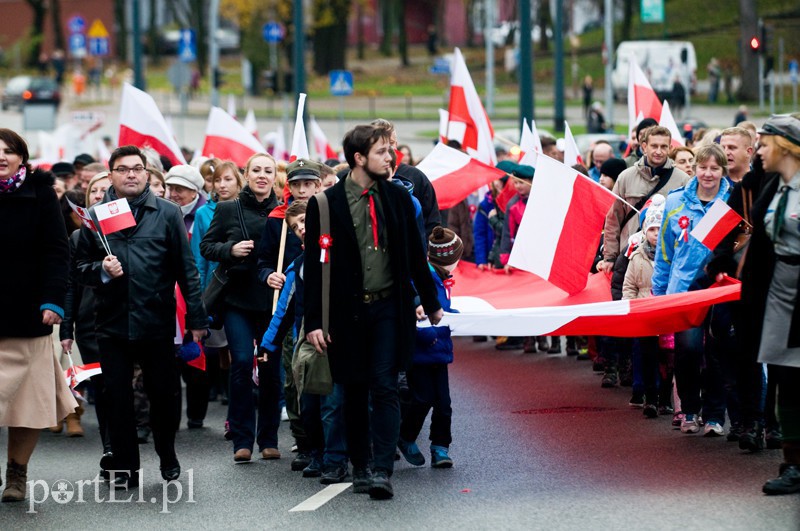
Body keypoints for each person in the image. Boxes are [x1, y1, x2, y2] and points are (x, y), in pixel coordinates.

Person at [303, 124, 443, 500]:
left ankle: (382, 469)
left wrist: (431, 303)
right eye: (382, 151)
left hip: (388, 307)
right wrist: (313, 321)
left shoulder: (398, 198)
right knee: (353, 387)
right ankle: (360, 464)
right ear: (359, 158)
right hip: (346, 313)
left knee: (384, 384)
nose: (390, 157)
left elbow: (415, 255)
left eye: (390, 150)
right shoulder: (324, 203)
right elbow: (315, 266)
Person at [74, 145, 207, 489]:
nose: (130, 174)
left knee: (164, 394)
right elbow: (79, 269)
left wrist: (197, 319)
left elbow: (186, 269)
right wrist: (100, 269)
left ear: (147, 174)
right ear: (112, 175)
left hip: (156, 320)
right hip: (112, 322)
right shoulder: (96, 215)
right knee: (115, 396)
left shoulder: (166, 212)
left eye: (137, 168)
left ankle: (167, 454)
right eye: (123, 169)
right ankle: (126, 466)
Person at [0, 128, 76, 502]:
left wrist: (53, 300)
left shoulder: (41, 192)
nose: (0, 156)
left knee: (25, 405)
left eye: (7, 151)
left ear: (21, 157)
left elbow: (56, 251)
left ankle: (17, 472)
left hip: (27, 314)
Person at [734, 114, 800, 495]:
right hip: (777, 291)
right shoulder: (774, 185)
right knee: (785, 377)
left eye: (763, 144)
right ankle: (793, 463)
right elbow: (753, 234)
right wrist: (719, 264)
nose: (757, 151)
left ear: (785, 146)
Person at [200, 153, 281, 464]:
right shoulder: (228, 208)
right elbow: (207, 246)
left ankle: (269, 439)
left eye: (268, 171)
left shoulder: (283, 212)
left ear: (275, 176)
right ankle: (242, 439)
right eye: (256, 170)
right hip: (236, 301)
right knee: (242, 363)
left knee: (271, 369)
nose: (262, 176)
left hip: (272, 302)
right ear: (246, 174)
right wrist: (229, 250)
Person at [652, 144, 733, 436]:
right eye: (703, 167)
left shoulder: (734, 201)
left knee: (718, 351)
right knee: (687, 349)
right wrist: (659, 294)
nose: (708, 174)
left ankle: (713, 416)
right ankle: (688, 409)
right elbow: (664, 253)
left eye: (714, 168)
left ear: (723, 170)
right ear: (694, 168)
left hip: (721, 288)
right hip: (685, 288)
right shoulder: (675, 202)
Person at [60, 172, 112, 472]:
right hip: (90, 325)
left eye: (107, 190)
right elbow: (71, 286)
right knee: (102, 389)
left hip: (125, 322)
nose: (100, 195)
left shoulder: (127, 232)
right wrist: (67, 329)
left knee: (122, 388)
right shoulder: (79, 237)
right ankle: (110, 447)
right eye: (96, 191)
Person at [398, 226, 462, 469]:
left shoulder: (441, 279)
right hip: (422, 351)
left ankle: (440, 447)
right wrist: (431, 336)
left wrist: (458, 317)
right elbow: (422, 313)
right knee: (422, 399)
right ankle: (405, 436)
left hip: (439, 351)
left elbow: (443, 309)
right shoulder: (425, 277)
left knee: (443, 402)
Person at [598, 126, 691, 276]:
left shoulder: (683, 180)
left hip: (667, 258)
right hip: (628, 255)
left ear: (670, 148)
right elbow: (612, 219)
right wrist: (610, 256)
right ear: (644, 147)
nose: (658, 151)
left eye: (663, 146)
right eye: (654, 146)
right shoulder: (626, 177)